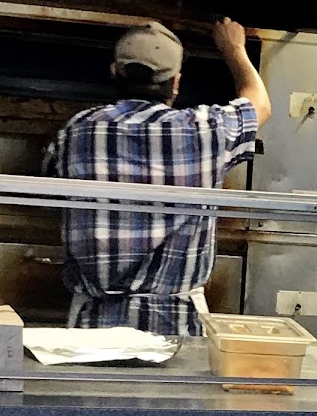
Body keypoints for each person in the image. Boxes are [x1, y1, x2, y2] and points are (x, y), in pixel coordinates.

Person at [48, 17, 271, 336]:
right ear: (176, 82)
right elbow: (259, 104)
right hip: (176, 326)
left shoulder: (77, 130)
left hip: (92, 326)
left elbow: (52, 188)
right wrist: (233, 48)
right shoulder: (205, 131)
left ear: (115, 71)